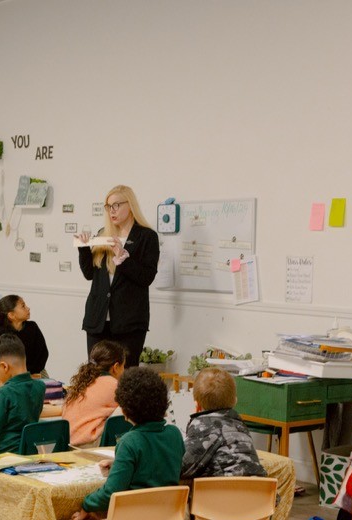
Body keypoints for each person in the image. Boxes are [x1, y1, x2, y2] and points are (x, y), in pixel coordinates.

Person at [59, 367, 184, 520]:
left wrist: (86, 506)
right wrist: (120, 464)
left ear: (125, 409)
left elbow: (110, 493)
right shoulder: (174, 434)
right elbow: (158, 464)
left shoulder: (130, 442)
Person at [75, 185, 160, 368]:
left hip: (129, 322)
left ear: (130, 205)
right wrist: (83, 249)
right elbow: (89, 274)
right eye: (108, 206)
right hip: (97, 320)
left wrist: (124, 259)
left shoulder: (147, 236)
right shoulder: (102, 235)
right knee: (96, 376)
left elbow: (147, 277)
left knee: (126, 376)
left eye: (116, 205)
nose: (112, 211)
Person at [180, 368, 266, 479]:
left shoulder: (202, 426)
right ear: (235, 402)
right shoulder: (240, 426)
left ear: (197, 406)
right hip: (260, 491)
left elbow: (184, 468)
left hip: (224, 492)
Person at [0, 334, 45, 456]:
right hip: (30, 454)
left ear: (4, 366)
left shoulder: (4, 392)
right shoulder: (40, 387)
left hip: (5, 457)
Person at [61, 340, 126, 448]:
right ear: (115, 367)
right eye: (124, 366)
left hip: (69, 443)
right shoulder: (113, 384)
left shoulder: (83, 382)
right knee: (130, 407)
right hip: (89, 443)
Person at [0, 295, 48, 377]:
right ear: (11, 315)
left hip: (34, 375)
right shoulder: (0, 333)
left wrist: (28, 372)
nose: (28, 308)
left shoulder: (33, 327)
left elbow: (43, 354)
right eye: (23, 306)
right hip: (7, 378)